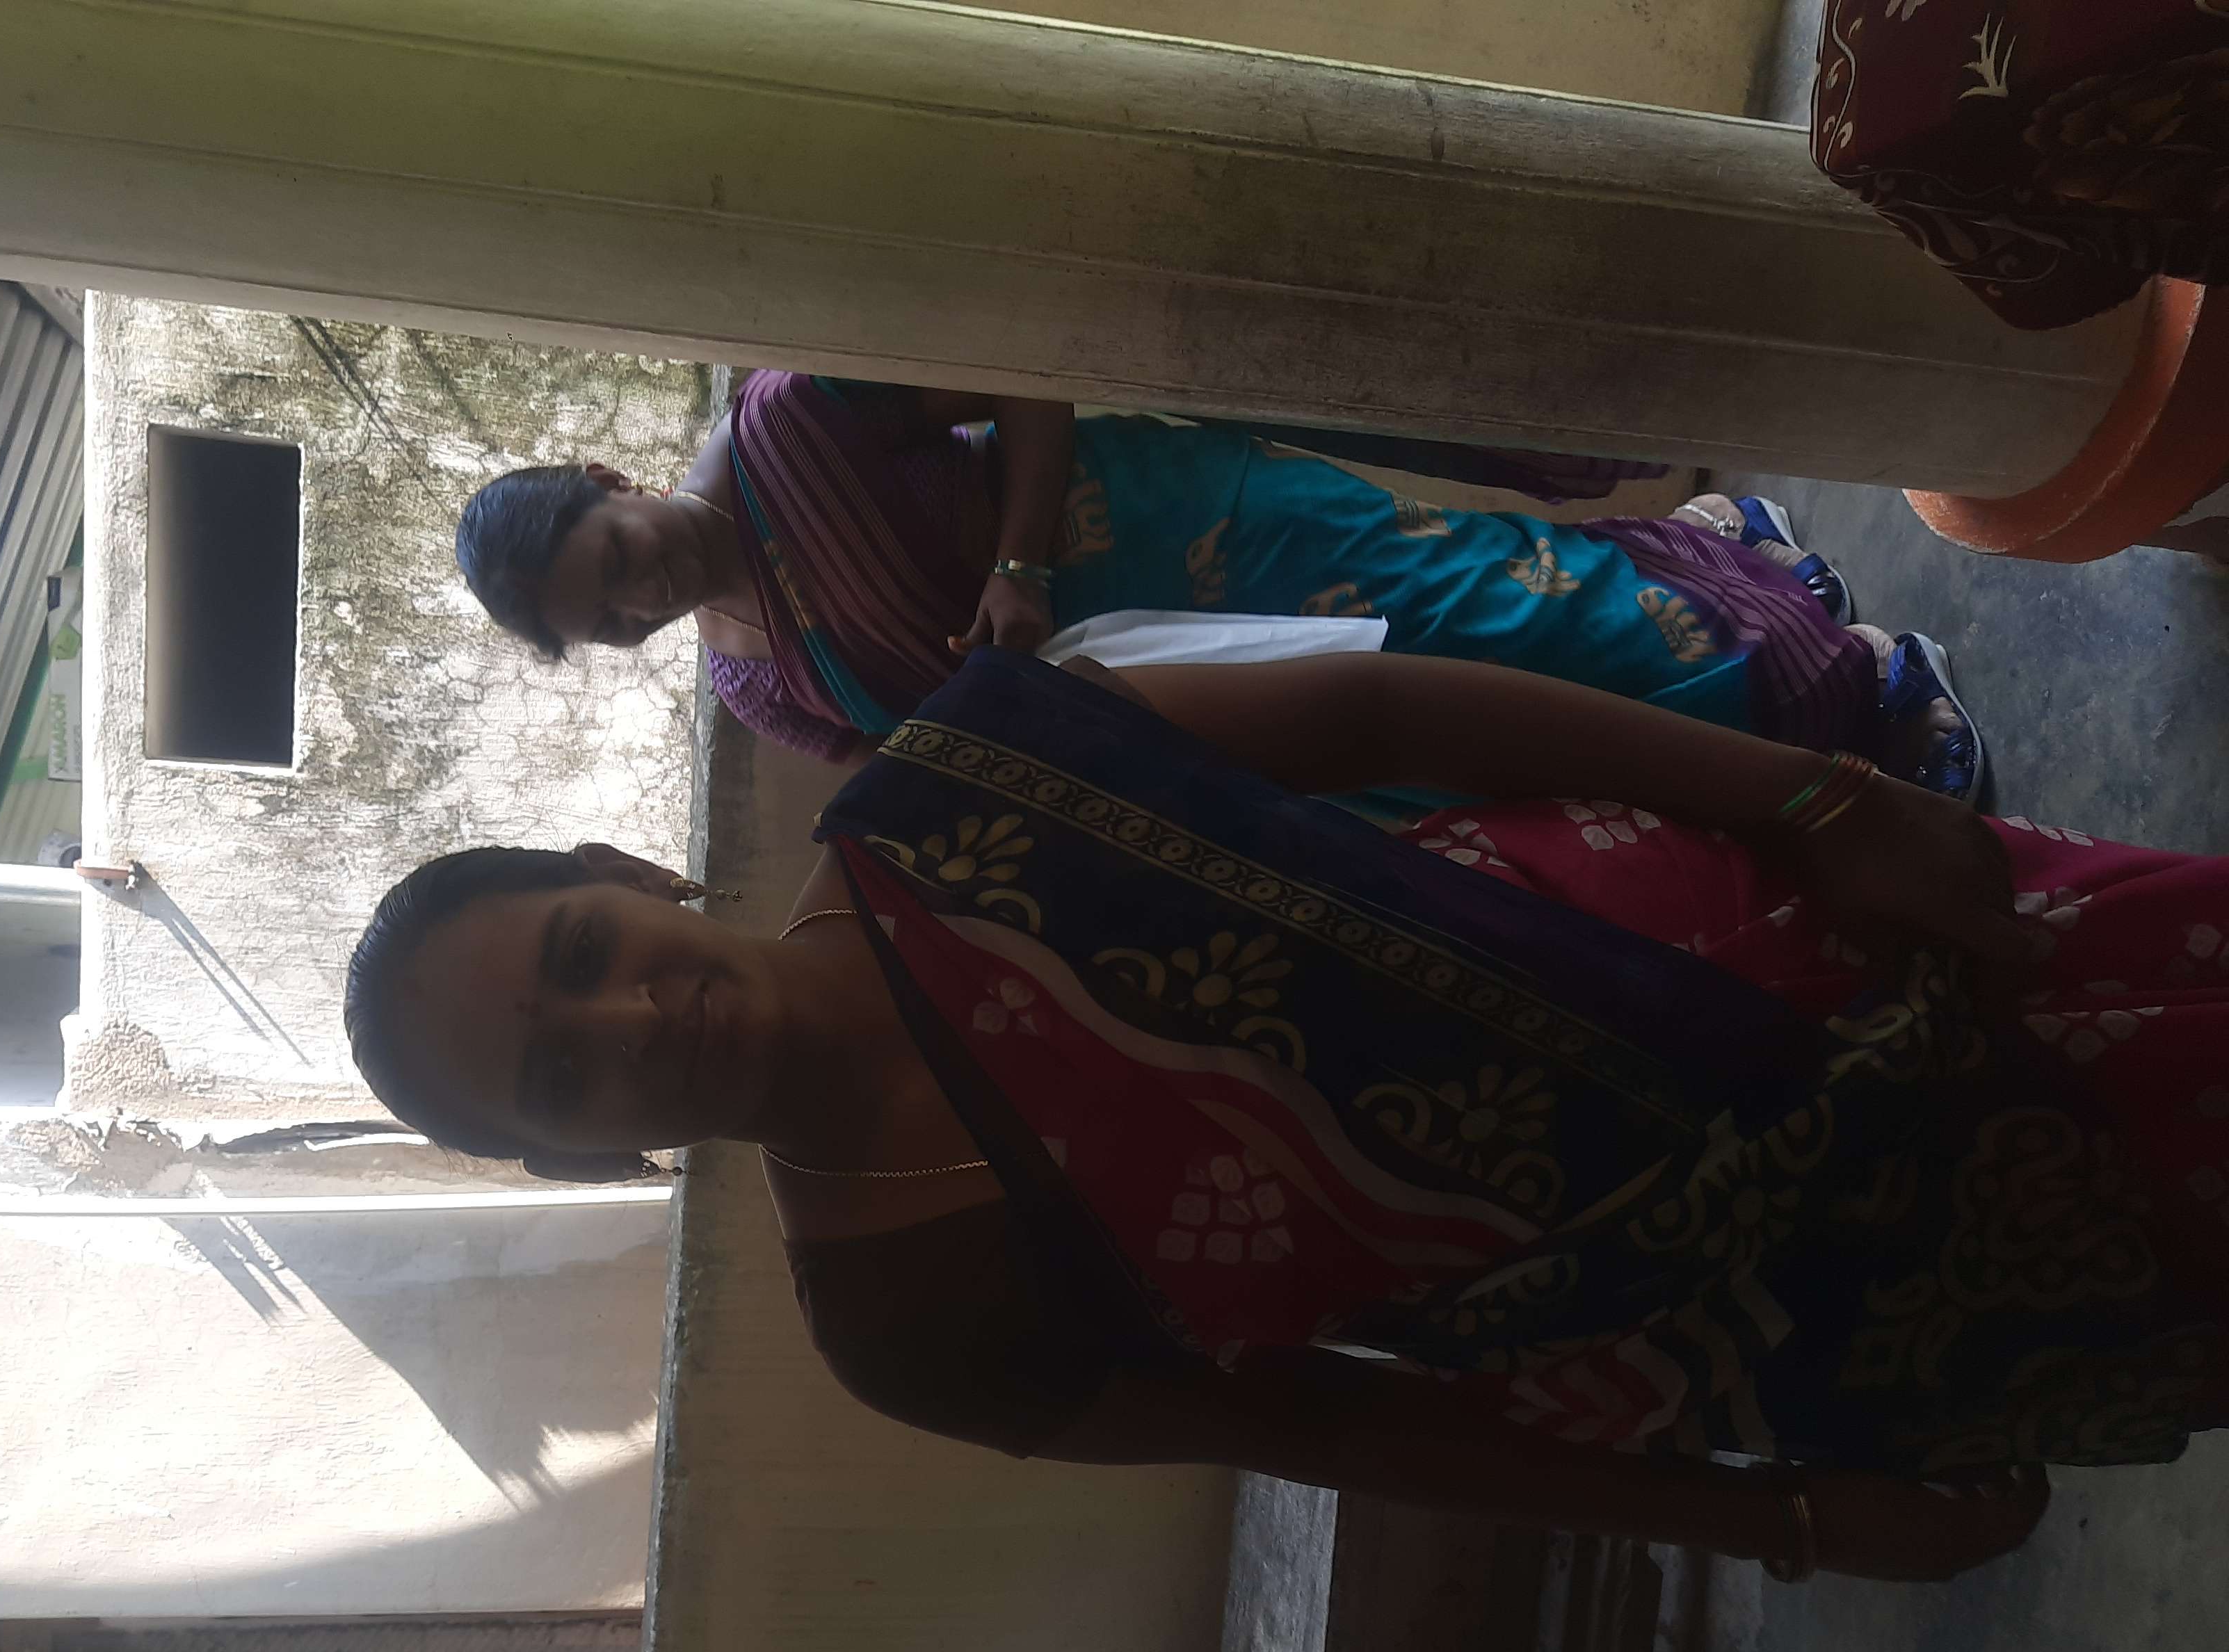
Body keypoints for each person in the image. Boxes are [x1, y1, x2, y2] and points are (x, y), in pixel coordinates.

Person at [342, 644, 2228, 1582]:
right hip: (1783, 1313)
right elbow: (1331, 1426)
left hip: (1822, 951)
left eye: (582, 953)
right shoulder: (902, 1321)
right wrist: (1778, 1516)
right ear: (581, 1158)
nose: (628, 1024)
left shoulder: (964, 777)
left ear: (624, 873)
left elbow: (1374, 716)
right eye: (559, 1074)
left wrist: (1815, 799)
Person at [453, 373, 1980, 802]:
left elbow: (1022, 380)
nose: (646, 594)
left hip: (1173, 532)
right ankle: (1737, 583)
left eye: (618, 557)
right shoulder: (750, 682)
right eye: (614, 622)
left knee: (1472, 602)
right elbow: (900, 759)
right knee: (1447, 742)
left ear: (606, 477)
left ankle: (1841, 685)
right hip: (1153, 694)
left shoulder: (789, 421)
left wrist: (1016, 568)